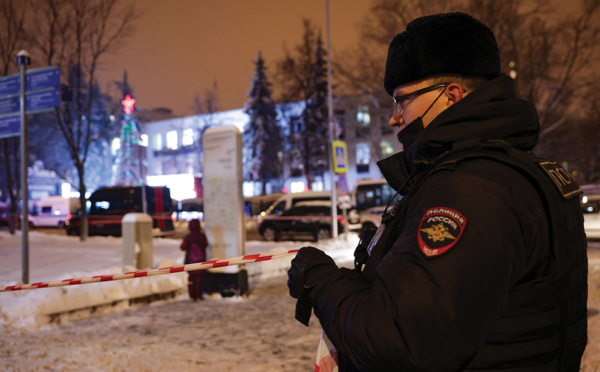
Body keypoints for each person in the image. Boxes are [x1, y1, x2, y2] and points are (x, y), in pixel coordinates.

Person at [287, 12, 588, 371]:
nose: (395, 118)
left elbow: (398, 341)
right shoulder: (512, 171)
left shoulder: (469, 189)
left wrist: (319, 281)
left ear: (451, 96)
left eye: (402, 100)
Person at [180, 219, 208, 301]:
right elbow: (205, 245)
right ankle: (199, 295)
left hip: (190, 262)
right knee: (200, 279)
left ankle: (192, 296)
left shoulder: (188, 237)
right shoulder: (202, 236)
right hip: (200, 261)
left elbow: (183, 247)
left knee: (192, 279)